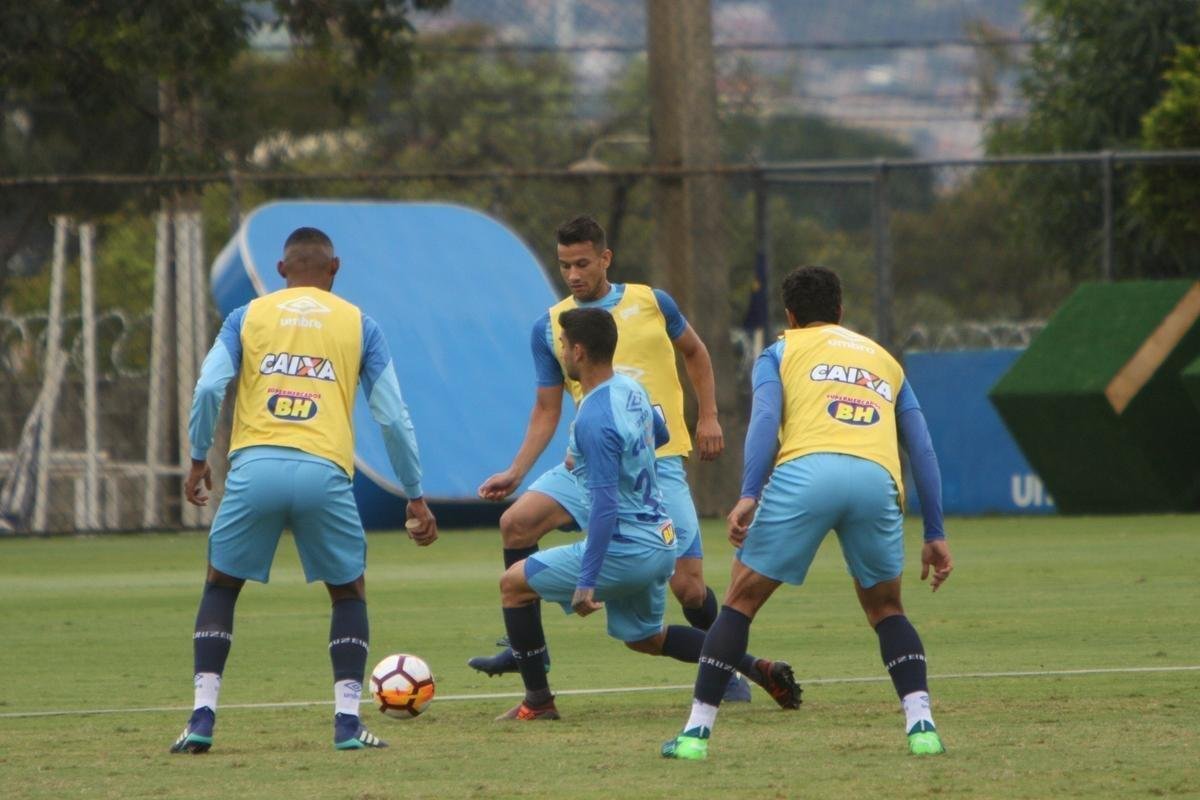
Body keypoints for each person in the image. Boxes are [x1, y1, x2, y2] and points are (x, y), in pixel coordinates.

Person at [661, 266, 954, 761]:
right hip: (876, 478)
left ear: (790, 316)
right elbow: (922, 448)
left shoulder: (780, 351)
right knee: (887, 610)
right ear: (840, 311)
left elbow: (765, 419)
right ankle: (922, 726)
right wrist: (935, 531)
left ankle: (694, 735)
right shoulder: (884, 360)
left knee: (739, 603)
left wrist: (749, 492)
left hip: (807, 473)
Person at [170, 227, 437, 754]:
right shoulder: (360, 324)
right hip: (324, 472)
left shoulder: (247, 316)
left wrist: (199, 457)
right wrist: (414, 493)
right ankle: (346, 723)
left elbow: (208, 387)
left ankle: (202, 718)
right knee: (348, 592)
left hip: (255, 469)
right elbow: (392, 417)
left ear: (280, 270)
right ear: (334, 268)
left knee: (221, 586)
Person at [473, 216, 753, 701]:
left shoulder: (652, 302)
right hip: (589, 463)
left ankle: (731, 671)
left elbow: (696, 353)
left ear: (605, 259)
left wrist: (708, 416)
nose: (573, 274)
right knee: (516, 523)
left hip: (653, 463)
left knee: (689, 589)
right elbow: (546, 408)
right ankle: (526, 652)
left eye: (582, 263)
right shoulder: (551, 325)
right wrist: (517, 471)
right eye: (565, 265)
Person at [496, 308, 800, 721]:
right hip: (661, 540)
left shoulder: (593, 417)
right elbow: (660, 431)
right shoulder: (630, 388)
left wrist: (587, 582)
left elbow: (604, 508)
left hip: (626, 548)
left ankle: (538, 702)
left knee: (513, 585)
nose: (562, 352)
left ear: (579, 352)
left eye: (564, 345)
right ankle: (757, 668)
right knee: (646, 638)